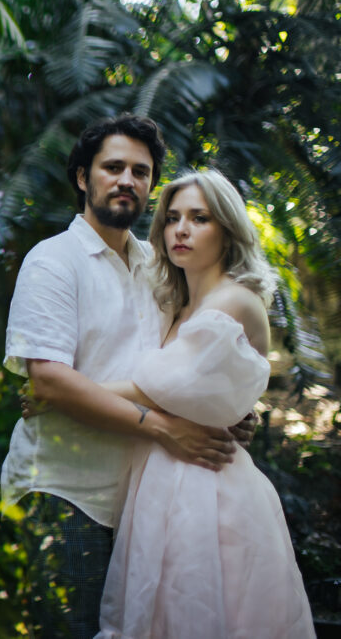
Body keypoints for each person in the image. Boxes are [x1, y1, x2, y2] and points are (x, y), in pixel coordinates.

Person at [1, 115, 248, 638]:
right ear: (82, 177)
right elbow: (49, 382)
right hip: (66, 495)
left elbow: (185, 370)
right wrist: (163, 427)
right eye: (112, 167)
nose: (126, 180)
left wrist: (226, 412)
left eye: (141, 171)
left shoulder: (160, 270)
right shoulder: (53, 262)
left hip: (146, 502)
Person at [92, 169, 314, 638]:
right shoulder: (179, 306)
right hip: (162, 482)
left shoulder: (234, 301)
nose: (181, 230)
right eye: (172, 218)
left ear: (227, 230)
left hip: (209, 491)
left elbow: (152, 388)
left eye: (199, 218)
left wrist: (61, 392)